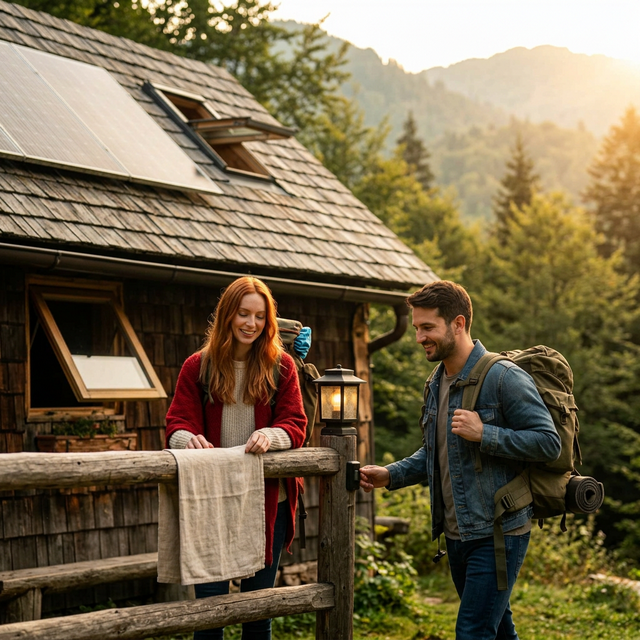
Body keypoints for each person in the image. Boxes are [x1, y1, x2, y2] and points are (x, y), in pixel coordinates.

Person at [360, 280, 561, 640]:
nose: (419, 337)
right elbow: (436, 453)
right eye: (417, 327)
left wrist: (486, 434)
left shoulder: (503, 377)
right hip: (456, 535)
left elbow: (548, 443)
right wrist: (390, 475)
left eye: (427, 327)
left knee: (472, 632)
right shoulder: (436, 382)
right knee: (497, 631)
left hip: (499, 532)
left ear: (458, 323)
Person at [165, 276, 307, 640]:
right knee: (209, 614)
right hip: (211, 500)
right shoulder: (198, 366)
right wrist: (188, 439)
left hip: (266, 503)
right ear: (228, 315)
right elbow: (177, 422)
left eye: (260, 317)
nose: (251, 324)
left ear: (268, 321)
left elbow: (295, 423)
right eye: (244, 314)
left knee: (258, 613)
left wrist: (270, 435)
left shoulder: (282, 366)